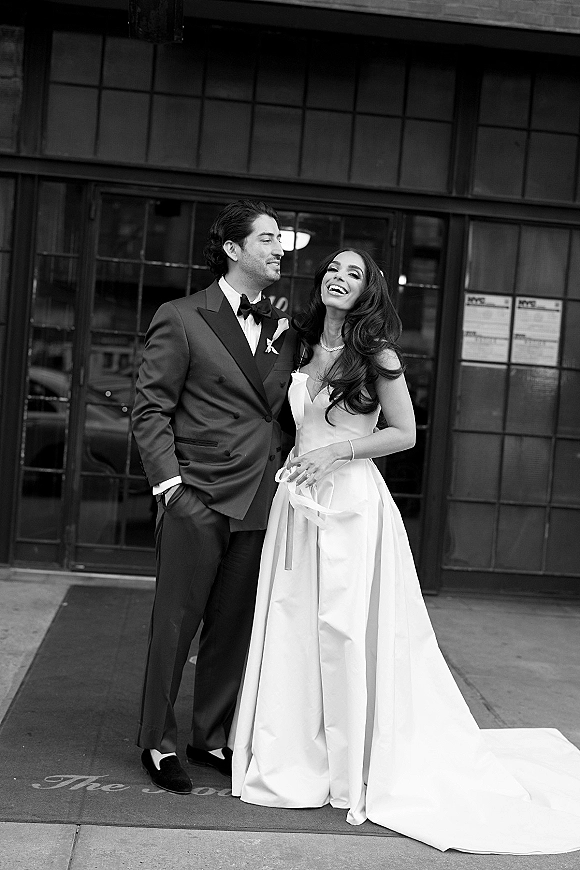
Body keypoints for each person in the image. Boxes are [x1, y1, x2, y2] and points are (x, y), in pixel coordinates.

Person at [230, 248, 580, 854]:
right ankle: (295, 755)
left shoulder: (378, 356)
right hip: (297, 507)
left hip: (350, 509)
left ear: (369, 291)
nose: (339, 278)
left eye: (354, 273)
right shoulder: (303, 344)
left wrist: (336, 452)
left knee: (345, 631)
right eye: (332, 270)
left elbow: (405, 433)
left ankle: (353, 763)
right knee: (293, 628)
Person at [131, 199, 297, 794]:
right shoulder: (180, 316)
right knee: (175, 625)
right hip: (197, 495)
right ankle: (156, 740)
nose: (280, 249)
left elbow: (281, 415)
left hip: (259, 497)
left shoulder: (286, 327)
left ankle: (210, 735)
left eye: (281, 241)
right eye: (269, 239)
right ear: (233, 249)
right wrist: (170, 486)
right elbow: (151, 407)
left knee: (233, 627)